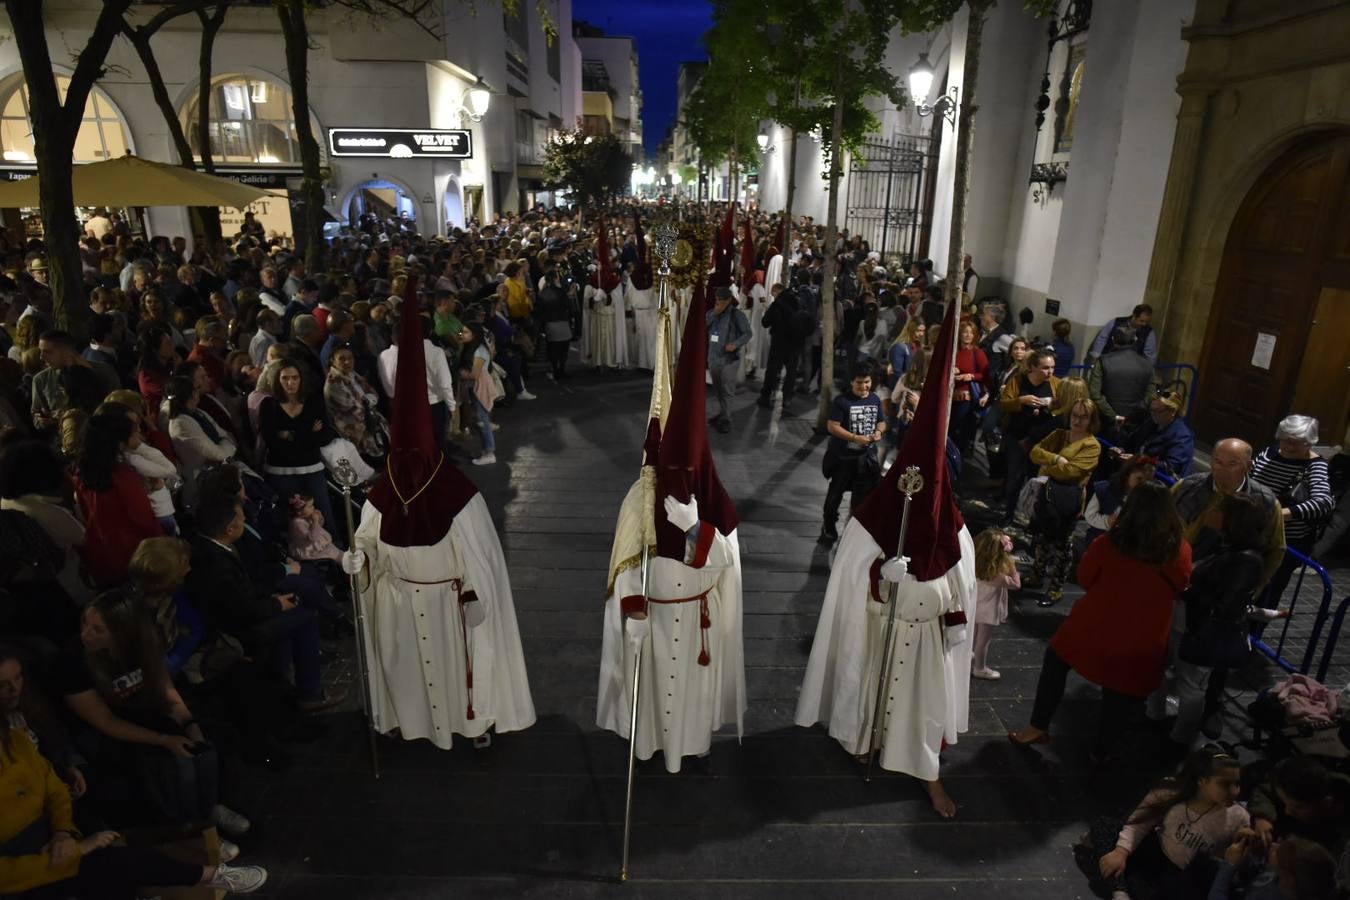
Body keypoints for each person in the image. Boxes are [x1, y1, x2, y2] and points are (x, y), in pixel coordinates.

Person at [797, 295, 974, 819]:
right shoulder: (874, 520)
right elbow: (850, 576)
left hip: (926, 641)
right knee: (867, 688)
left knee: (922, 708)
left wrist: (956, 616)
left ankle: (927, 773)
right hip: (879, 629)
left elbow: (962, 583)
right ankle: (860, 739)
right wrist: (879, 574)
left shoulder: (955, 531)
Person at [344, 275, 534, 751]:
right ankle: (409, 723)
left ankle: (475, 723)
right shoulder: (383, 494)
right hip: (401, 603)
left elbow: (481, 558)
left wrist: (473, 590)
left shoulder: (455, 493)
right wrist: (358, 559)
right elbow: (367, 540)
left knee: (459, 672)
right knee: (409, 671)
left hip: (452, 607)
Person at [597, 275, 744, 774]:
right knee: (654, 692)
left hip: (696, 620)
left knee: (690, 702)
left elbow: (723, 568)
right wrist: (632, 612)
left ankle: (693, 744)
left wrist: (696, 529)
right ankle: (648, 745)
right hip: (654, 620)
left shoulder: (714, 502)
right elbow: (625, 565)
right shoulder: (641, 496)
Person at [1009, 481, 1192, 760]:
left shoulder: (1108, 544)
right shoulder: (1179, 550)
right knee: (1120, 693)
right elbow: (1181, 584)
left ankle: (1038, 726)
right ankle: (1104, 752)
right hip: (1144, 634)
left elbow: (1085, 578)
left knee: (1056, 662)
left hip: (1096, 624)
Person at [0, 725, 267, 897]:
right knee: (109, 863)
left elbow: (55, 789)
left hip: (51, 842)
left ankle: (213, 875)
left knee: (111, 862)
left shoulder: (15, 741)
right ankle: (213, 876)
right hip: (23, 873)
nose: (13, 690)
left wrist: (62, 832)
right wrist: (78, 850)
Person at [186, 493, 343, 714]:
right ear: (229, 530)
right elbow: (240, 608)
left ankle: (284, 682)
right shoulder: (216, 562)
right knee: (305, 616)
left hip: (248, 609)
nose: (244, 523)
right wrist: (277, 605)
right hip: (235, 629)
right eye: (240, 520)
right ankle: (310, 693)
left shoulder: (211, 547)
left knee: (296, 608)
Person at [1153, 494, 1269, 753]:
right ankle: (1155, 716)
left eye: (1218, 510)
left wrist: (1186, 588)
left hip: (1201, 629)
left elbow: (1226, 606)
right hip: (1184, 620)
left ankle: (1180, 738)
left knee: (1191, 686)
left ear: (1233, 520)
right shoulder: (1223, 543)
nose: (1211, 512)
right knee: (1162, 668)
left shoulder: (1247, 560)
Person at [1083, 750, 1248, 900]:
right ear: (1202, 781)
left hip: (1187, 878)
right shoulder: (1171, 791)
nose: (1234, 791)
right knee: (1104, 828)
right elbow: (1138, 824)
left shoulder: (1238, 817)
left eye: (1237, 784)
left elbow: (1231, 867)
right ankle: (1120, 891)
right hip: (1155, 855)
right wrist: (1121, 852)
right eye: (1225, 784)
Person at [1250, 415, 1334, 615]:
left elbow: (1323, 503)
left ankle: (1253, 636)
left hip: (1286, 540)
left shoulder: (1315, 466)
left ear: (1311, 442)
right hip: (1254, 531)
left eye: (1298, 443)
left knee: (1268, 591)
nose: (1289, 446)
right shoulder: (1270, 452)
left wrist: (1279, 514)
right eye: (1286, 439)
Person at [1025, 398, 1102, 605]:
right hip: (1049, 492)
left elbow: (1072, 472)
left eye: (1083, 417)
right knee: (1042, 537)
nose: (1077, 420)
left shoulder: (1092, 445)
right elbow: (1034, 452)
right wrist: (1056, 459)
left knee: (1062, 545)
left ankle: (1056, 589)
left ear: (1091, 420)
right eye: (1075, 415)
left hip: (1069, 497)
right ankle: (1036, 576)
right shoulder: (1061, 434)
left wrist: (1046, 466)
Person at [74, 413, 163, 588]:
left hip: (103, 555)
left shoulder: (82, 473)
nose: (139, 436)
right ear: (120, 442)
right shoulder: (122, 477)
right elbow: (145, 521)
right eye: (135, 433)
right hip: (134, 555)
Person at [257, 360, 339, 545]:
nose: (290, 383)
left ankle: (337, 560)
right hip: (280, 473)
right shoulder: (269, 405)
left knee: (325, 518)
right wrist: (308, 433)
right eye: (285, 378)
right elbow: (272, 442)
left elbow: (325, 436)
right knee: (285, 523)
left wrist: (289, 434)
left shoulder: (314, 401)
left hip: (312, 470)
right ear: (277, 380)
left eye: (295, 378)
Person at [819, 363, 885, 544]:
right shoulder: (842, 401)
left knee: (863, 496)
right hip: (843, 458)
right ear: (851, 382)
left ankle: (855, 529)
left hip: (866, 458)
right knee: (835, 493)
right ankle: (828, 526)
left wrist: (879, 432)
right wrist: (855, 438)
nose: (864, 387)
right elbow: (832, 426)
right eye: (859, 383)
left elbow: (881, 421)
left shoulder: (875, 399)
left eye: (867, 382)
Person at [1247, 756, 1350, 873]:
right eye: (1285, 803)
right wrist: (1263, 817)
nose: (1288, 811)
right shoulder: (1294, 785)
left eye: (1297, 807)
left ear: (1327, 802)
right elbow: (1265, 791)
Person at [377, 313, 456, 449]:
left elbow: (388, 386)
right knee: (435, 444)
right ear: (430, 331)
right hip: (432, 406)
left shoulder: (384, 355)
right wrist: (452, 406)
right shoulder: (435, 352)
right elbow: (445, 383)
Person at [1000, 347, 1060, 520]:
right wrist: (1021, 401)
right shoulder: (1018, 381)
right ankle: (1009, 515)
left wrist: (1051, 406)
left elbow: (1063, 407)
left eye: (1052, 367)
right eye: (1045, 368)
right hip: (1017, 437)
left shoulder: (1056, 383)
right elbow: (1004, 404)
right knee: (1015, 478)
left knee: (1036, 480)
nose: (1050, 372)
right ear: (1033, 367)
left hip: (1041, 441)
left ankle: (1032, 517)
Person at [1209, 835, 1345, 900]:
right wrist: (1256, 856)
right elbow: (1262, 875)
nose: (1273, 845)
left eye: (1277, 852)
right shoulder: (1294, 875)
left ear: (1288, 880)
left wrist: (1229, 866)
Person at [324, 343, 389, 461]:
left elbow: (374, 394)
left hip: (371, 425)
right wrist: (366, 401)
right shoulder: (333, 383)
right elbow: (357, 408)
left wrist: (366, 401)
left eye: (350, 358)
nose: (347, 362)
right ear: (333, 361)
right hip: (355, 433)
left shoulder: (353, 375)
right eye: (342, 359)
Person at [1089, 325, 1156, 440]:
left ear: (1113, 340)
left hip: (1106, 422)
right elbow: (1150, 396)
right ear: (1135, 340)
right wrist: (1132, 416)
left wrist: (1113, 415)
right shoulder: (1147, 365)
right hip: (1135, 424)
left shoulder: (1103, 361)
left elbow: (1095, 393)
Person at [971, 528, 1019, 680]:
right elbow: (1016, 585)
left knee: (972, 636)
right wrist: (1012, 567)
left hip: (973, 607)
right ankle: (980, 668)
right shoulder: (998, 576)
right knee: (983, 642)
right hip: (988, 612)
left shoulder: (972, 565)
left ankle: (967, 655)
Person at [1115, 389, 1195, 479]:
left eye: (1158, 411)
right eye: (1152, 410)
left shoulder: (1182, 436)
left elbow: (1171, 468)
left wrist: (1139, 460)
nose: (1153, 414)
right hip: (1138, 474)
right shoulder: (1152, 422)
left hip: (1159, 483)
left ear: (1173, 412)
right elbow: (1133, 441)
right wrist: (1121, 450)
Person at [706, 285, 750, 434]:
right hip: (713, 358)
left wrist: (735, 344)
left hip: (729, 360)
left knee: (728, 391)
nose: (719, 302)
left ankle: (726, 419)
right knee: (718, 389)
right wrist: (714, 313)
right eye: (717, 299)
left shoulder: (737, 315)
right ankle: (722, 413)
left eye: (722, 300)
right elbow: (703, 326)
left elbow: (748, 333)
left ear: (729, 300)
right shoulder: (712, 313)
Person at [757, 282, 807, 413]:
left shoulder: (777, 304)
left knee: (773, 369)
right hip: (795, 343)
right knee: (791, 372)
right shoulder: (798, 302)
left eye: (773, 293)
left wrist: (769, 312)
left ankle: (766, 395)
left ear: (777, 291)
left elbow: (765, 323)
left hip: (778, 342)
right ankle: (787, 398)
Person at [458, 320, 497, 466]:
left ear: (474, 335)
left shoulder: (479, 351)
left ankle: (489, 451)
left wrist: (463, 373)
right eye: (462, 331)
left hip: (481, 386)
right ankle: (487, 450)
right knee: (481, 419)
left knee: (483, 420)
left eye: (466, 332)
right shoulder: (470, 348)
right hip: (475, 386)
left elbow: (475, 374)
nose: (462, 334)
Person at [951, 318, 990, 456]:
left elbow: (985, 375)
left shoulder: (977, 353)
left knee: (960, 428)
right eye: (965, 332)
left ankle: (958, 456)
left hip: (966, 398)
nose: (968, 335)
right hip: (950, 396)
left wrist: (971, 376)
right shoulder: (953, 351)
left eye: (971, 333)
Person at [1085, 303, 1158, 365]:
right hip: (1108, 362)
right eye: (1141, 321)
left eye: (1147, 322)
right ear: (1134, 315)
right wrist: (1095, 359)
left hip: (1131, 367)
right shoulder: (1116, 323)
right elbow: (1102, 339)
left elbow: (1150, 357)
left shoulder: (1148, 332)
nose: (1144, 324)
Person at [537, 268, 572, 380]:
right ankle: (561, 369)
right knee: (563, 348)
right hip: (561, 322)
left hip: (549, 324)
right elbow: (567, 305)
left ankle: (555, 369)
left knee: (552, 349)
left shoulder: (542, 293)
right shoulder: (560, 291)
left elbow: (540, 310)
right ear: (555, 278)